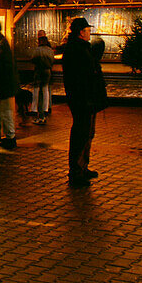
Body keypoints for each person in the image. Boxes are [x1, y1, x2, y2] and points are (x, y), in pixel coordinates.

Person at [62, 17, 103, 186]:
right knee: (81, 133)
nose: (89, 33)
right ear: (81, 32)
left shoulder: (82, 48)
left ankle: (83, 167)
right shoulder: (76, 50)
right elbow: (79, 77)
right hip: (82, 99)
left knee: (87, 133)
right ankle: (76, 171)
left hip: (87, 98)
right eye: (87, 31)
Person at [0, 21, 18, 149]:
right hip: (2, 84)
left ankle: (10, 137)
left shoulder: (0, 45)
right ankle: (0, 135)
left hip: (3, 84)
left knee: (4, 111)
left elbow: (0, 65)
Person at [31, 33, 56, 125]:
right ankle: (46, 108)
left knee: (37, 90)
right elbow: (52, 60)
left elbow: (33, 59)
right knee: (45, 90)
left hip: (39, 71)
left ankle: (36, 110)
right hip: (48, 71)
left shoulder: (37, 50)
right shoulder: (50, 50)